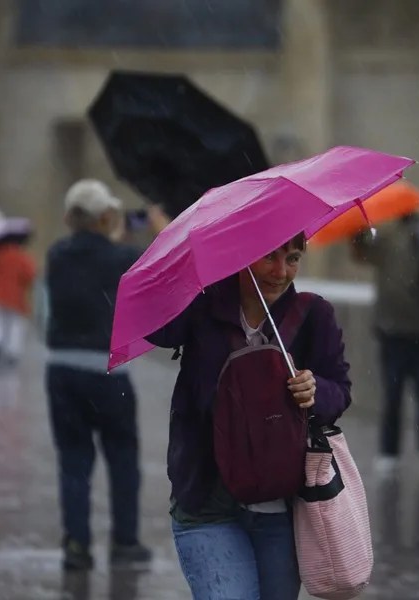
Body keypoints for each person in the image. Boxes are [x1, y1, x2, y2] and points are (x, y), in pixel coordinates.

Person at [147, 221, 352, 600]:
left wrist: (314, 389)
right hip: (206, 498)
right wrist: (186, 268)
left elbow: (339, 392)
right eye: (269, 257)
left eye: (292, 258)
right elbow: (157, 330)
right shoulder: (204, 307)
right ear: (243, 256)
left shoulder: (313, 316)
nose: (281, 272)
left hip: (282, 506)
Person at [44, 179, 152, 571]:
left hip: (61, 369)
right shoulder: (120, 257)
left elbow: (93, 248)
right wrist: (146, 222)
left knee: (73, 461)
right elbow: (139, 263)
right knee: (122, 457)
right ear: (105, 216)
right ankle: (124, 542)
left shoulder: (56, 254)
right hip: (107, 374)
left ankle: (77, 544)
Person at [351, 210, 419, 475]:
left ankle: (391, 452)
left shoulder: (396, 240)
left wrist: (357, 233)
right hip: (418, 331)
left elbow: (362, 254)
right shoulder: (414, 241)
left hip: (397, 330)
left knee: (398, 394)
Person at [0, 238, 37, 369]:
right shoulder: (22, 257)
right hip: (14, 296)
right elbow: (30, 275)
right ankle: (12, 352)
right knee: (14, 324)